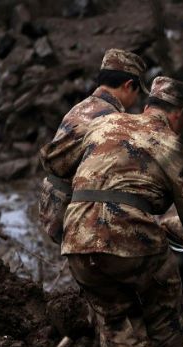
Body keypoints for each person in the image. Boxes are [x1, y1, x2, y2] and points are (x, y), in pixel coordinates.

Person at [46, 76, 183, 347]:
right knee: (165, 289)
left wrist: (55, 225)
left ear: (148, 106)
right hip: (127, 235)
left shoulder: (103, 125)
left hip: (76, 239)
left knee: (115, 310)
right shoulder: (175, 148)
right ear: (178, 113)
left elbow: (56, 165)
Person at [39, 48, 148, 243]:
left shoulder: (83, 106)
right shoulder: (111, 119)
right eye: (137, 93)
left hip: (51, 204)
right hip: (74, 213)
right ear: (128, 85)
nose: (136, 100)